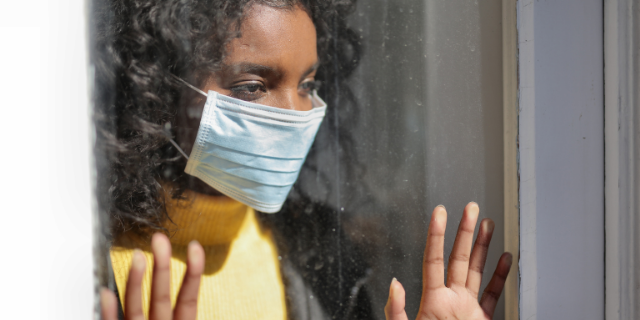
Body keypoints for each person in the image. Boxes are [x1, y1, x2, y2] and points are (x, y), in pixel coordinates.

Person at [94, 0, 512, 319]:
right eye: (253, 86)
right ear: (159, 91)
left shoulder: (321, 252)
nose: (297, 113)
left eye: (308, 83)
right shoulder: (87, 267)